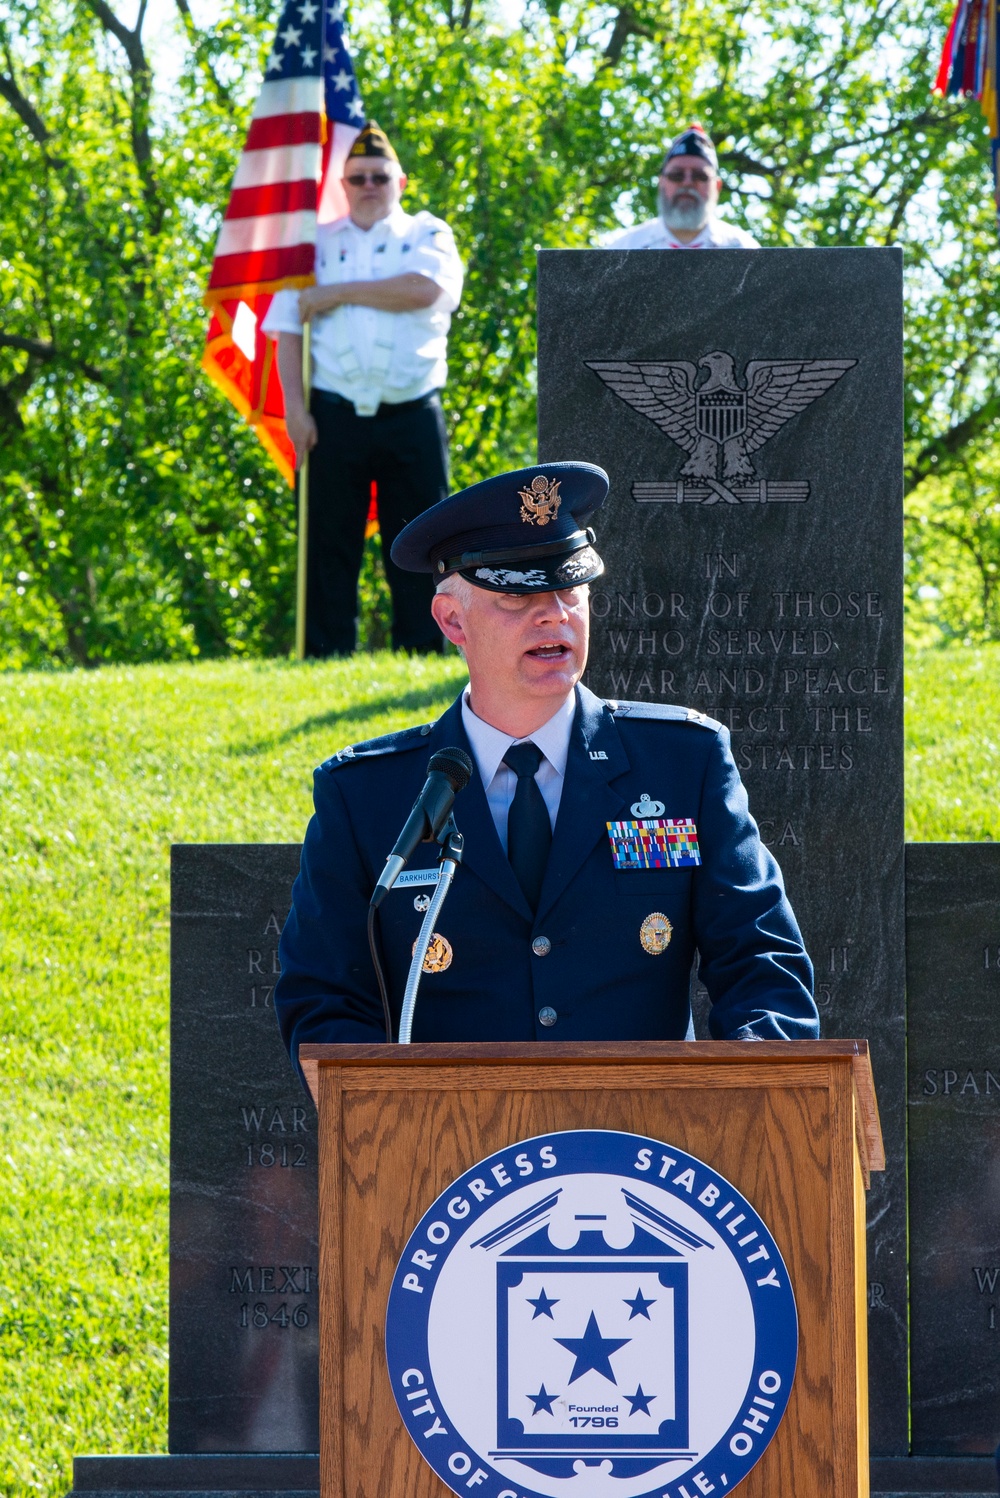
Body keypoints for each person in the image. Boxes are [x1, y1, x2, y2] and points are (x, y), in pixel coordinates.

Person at [274, 460, 817, 1075]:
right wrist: (385, 1120)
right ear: (453, 620)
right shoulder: (367, 795)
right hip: (452, 1160)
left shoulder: (681, 763)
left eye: (569, 589)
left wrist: (758, 1095)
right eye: (518, 595)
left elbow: (762, 962)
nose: (553, 614)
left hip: (643, 1153)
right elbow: (324, 997)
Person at [262, 121, 464, 656]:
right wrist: (295, 412)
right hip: (333, 414)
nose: (369, 185)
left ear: (401, 182)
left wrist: (332, 295)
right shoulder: (313, 244)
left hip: (412, 413)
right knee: (328, 543)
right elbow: (287, 330)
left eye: (379, 176)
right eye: (358, 178)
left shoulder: (428, 233)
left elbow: (423, 291)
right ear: (343, 185)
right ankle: (324, 655)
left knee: (421, 544)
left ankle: (422, 652)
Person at [604, 122, 759, 251]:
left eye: (699, 176)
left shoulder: (744, 249)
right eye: (676, 175)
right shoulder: (625, 249)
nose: (687, 182)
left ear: (717, 186)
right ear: (661, 183)